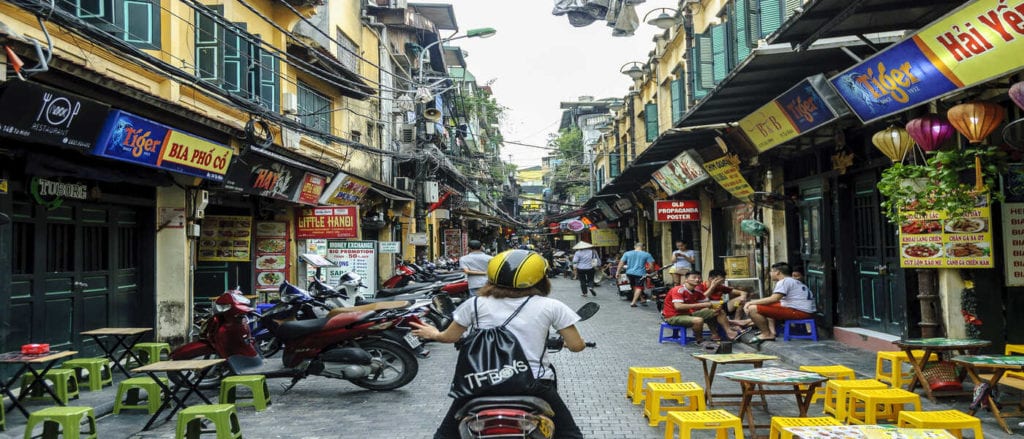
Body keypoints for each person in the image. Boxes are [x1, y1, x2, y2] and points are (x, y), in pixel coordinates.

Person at [410, 249, 587, 439]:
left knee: (444, 435)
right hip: (534, 383)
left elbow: (449, 337)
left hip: (480, 382)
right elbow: (576, 346)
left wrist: (433, 333)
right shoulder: (551, 306)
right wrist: (570, 344)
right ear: (540, 278)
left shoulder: (475, 304)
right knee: (570, 434)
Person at [743, 262, 816, 343]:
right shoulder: (793, 281)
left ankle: (766, 334)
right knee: (765, 305)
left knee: (752, 309)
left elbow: (774, 298)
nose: (770, 273)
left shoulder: (784, 281)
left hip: (799, 312)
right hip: (803, 310)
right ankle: (772, 332)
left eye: (771, 271)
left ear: (777, 272)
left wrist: (750, 303)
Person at [662, 271, 739, 343]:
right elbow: (678, 306)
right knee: (698, 320)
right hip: (672, 317)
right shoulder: (678, 290)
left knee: (718, 311)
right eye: (694, 277)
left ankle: (728, 332)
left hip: (688, 314)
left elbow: (707, 302)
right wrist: (703, 305)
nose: (697, 279)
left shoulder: (697, 291)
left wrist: (714, 307)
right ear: (686, 280)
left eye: (699, 278)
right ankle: (699, 340)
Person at [616, 241, 655, 307]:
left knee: (634, 286)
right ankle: (633, 302)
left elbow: (621, 263)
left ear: (635, 247)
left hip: (629, 273)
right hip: (640, 274)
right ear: (643, 247)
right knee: (639, 287)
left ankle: (642, 299)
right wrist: (652, 272)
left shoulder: (627, 253)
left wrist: (618, 272)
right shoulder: (646, 254)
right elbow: (651, 265)